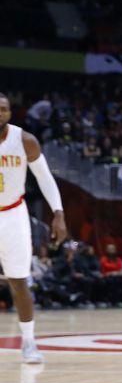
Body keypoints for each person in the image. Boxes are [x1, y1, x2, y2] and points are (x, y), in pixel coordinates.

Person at [0, 93, 67, 364]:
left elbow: (45, 178)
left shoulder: (24, 140)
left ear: (10, 112)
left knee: (18, 281)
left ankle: (28, 342)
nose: (0, 112)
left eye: (3, 108)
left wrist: (58, 214)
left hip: (13, 214)